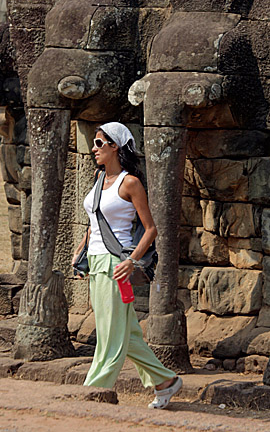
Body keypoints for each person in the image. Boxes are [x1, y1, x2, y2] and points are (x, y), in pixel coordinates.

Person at [71, 122, 182, 409]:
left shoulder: (129, 182)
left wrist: (131, 262)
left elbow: (150, 229)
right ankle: (165, 380)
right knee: (126, 333)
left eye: (99, 143)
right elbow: (94, 222)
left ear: (115, 146)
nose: (94, 149)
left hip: (115, 265)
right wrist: (81, 251)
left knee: (109, 335)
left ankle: (94, 394)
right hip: (95, 262)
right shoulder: (99, 178)